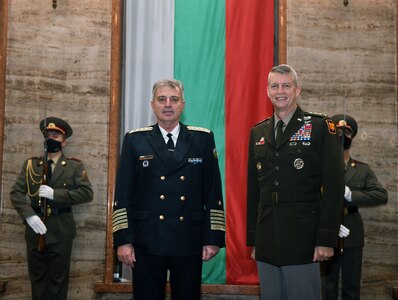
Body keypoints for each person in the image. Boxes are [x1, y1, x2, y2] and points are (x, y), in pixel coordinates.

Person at [112, 79, 225, 300]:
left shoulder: (202, 139)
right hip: (146, 241)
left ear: (183, 104)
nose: (167, 105)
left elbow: (213, 192)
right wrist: (123, 239)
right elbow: (123, 195)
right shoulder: (135, 140)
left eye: (174, 100)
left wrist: (213, 237)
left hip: (188, 240)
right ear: (152, 104)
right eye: (161, 99)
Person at [246, 64, 345, 300]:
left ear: (297, 90)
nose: (280, 91)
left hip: (304, 238)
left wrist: (326, 238)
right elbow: (253, 191)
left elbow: (334, 187)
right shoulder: (258, 132)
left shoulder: (319, 127)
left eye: (286, 85)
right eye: (275, 86)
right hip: (267, 237)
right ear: (267, 92)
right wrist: (254, 239)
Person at [10, 117, 93, 300]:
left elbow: (87, 193)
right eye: (48, 135)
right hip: (34, 230)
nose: (51, 139)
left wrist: (56, 194)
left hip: (61, 231)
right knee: (37, 280)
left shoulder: (74, 166)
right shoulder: (31, 164)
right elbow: (16, 193)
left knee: (58, 281)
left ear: (64, 141)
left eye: (56, 136)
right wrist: (29, 216)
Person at [323, 114, 388, 300]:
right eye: (338, 131)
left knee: (352, 289)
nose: (342, 135)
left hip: (352, 233)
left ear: (352, 137)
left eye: (347, 132)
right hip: (327, 234)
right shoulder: (321, 167)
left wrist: (352, 195)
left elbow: (381, 195)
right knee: (328, 287)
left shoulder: (362, 169)